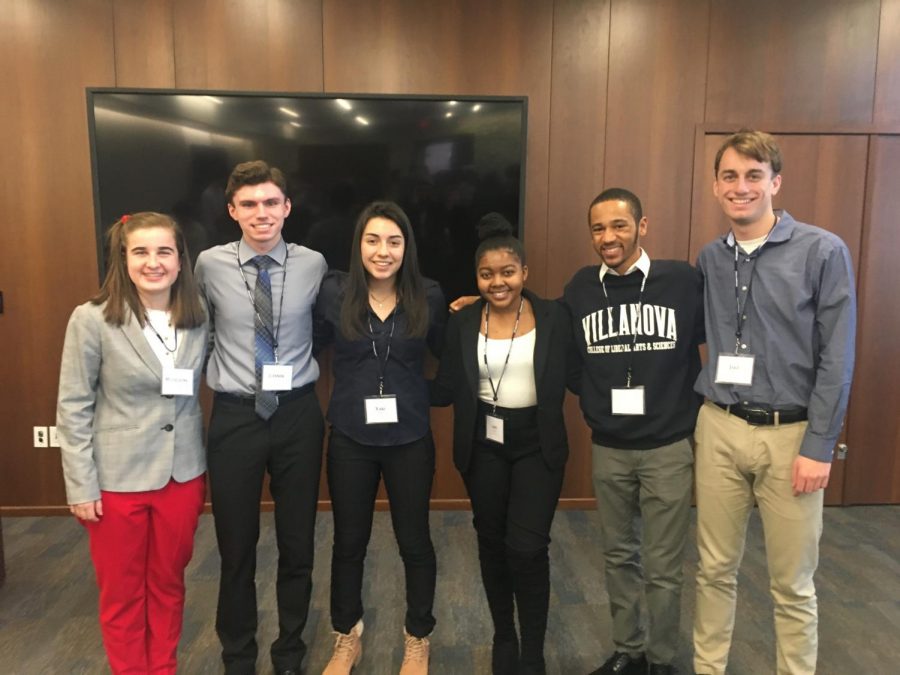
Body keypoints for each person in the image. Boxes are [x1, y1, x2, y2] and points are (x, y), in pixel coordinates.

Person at [692, 130, 856, 675]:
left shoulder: (822, 250)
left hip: (793, 436)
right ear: (716, 186)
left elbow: (838, 356)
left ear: (775, 182)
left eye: (754, 175)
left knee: (791, 583)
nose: (741, 187)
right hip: (719, 426)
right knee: (713, 570)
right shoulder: (711, 258)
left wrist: (820, 444)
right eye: (730, 176)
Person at [57, 212, 208, 674]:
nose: (153, 262)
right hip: (116, 481)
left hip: (182, 476)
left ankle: (162, 668)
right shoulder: (92, 319)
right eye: (140, 251)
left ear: (180, 260)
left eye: (164, 251)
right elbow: (73, 406)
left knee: (168, 584)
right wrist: (81, 486)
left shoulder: (197, 316)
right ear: (123, 258)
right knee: (122, 593)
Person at [562, 189, 704, 675]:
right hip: (611, 447)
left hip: (667, 445)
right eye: (599, 229)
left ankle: (663, 659)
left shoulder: (682, 282)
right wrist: (597, 401)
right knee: (618, 555)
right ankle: (629, 649)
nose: (608, 238)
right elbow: (566, 354)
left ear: (642, 226)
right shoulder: (581, 288)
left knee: (664, 565)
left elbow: (720, 334)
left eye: (619, 226)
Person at [195, 160, 328, 675]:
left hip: (296, 413)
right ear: (232, 211)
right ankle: (239, 656)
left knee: (297, 542)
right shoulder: (209, 264)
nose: (261, 213)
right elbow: (191, 327)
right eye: (249, 204)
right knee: (236, 544)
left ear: (287, 207)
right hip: (235, 417)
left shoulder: (314, 264)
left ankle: (289, 652)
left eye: (271, 202)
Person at [431, 213, 572, 675]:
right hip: (483, 447)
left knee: (527, 548)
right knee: (491, 543)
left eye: (508, 272)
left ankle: (532, 652)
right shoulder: (463, 320)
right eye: (487, 275)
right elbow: (447, 386)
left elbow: (582, 372)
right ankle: (504, 636)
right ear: (477, 278)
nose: (498, 282)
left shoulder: (555, 316)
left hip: (537, 446)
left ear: (525, 273)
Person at [314, 200, 446, 675]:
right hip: (351, 436)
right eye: (373, 240)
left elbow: (449, 354)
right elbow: (305, 341)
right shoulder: (334, 292)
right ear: (359, 245)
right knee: (349, 542)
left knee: (415, 542)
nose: (383, 251)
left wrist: (427, 395)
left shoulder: (427, 296)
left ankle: (418, 637)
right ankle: (346, 637)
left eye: (393, 241)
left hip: (410, 437)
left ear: (406, 247)